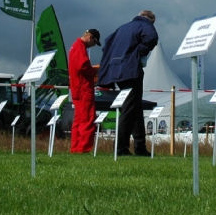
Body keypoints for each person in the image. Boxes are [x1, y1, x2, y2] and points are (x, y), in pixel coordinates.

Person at [96, 10, 159, 156]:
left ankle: (140, 147)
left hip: (115, 71)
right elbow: (151, 38)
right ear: (152, 19)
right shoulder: (145, 25)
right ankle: (120, 148)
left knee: (135, 106)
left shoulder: (122, 28)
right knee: (130, 108)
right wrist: (139, 53)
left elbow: (106, 45)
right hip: (131, 69)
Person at [68, 29, 101, 153]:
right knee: (87, 119)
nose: (93, 45)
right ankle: (84, 149)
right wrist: (95, 71)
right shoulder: (80, 47)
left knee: (78, 120)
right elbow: (82, 66)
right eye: (94, 42)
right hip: (83, 89)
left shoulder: (75, 46)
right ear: (90, 37)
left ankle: (76, 148)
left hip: (77, 88)